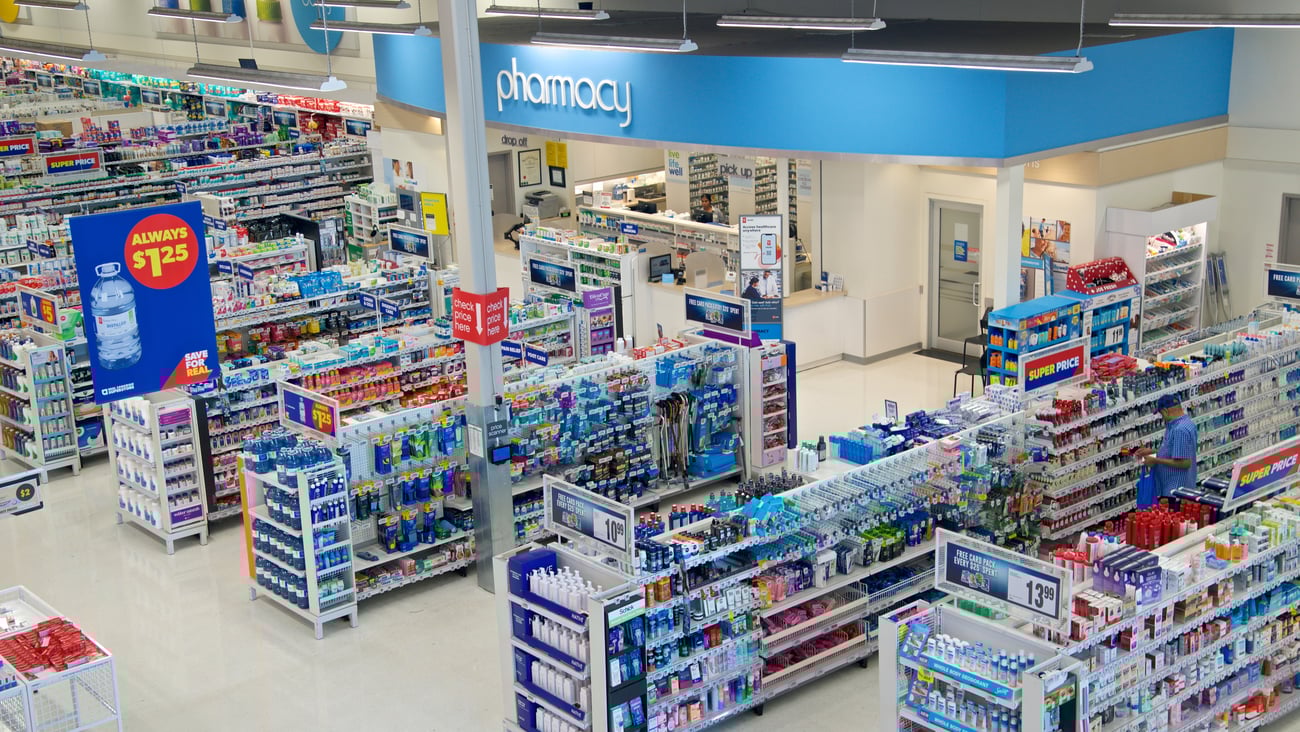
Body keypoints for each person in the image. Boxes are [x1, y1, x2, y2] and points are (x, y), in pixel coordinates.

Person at [1135, 394, 1198, 498]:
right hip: (1175, 486)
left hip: (1176, 491)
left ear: (1165, 411)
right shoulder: (1185, 423)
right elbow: (1175, 451)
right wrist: (1152, 451)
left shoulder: (1179, 430)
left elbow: (1185, 463)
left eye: (1161, 414)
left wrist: (1155, 460)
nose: (1162, 417)